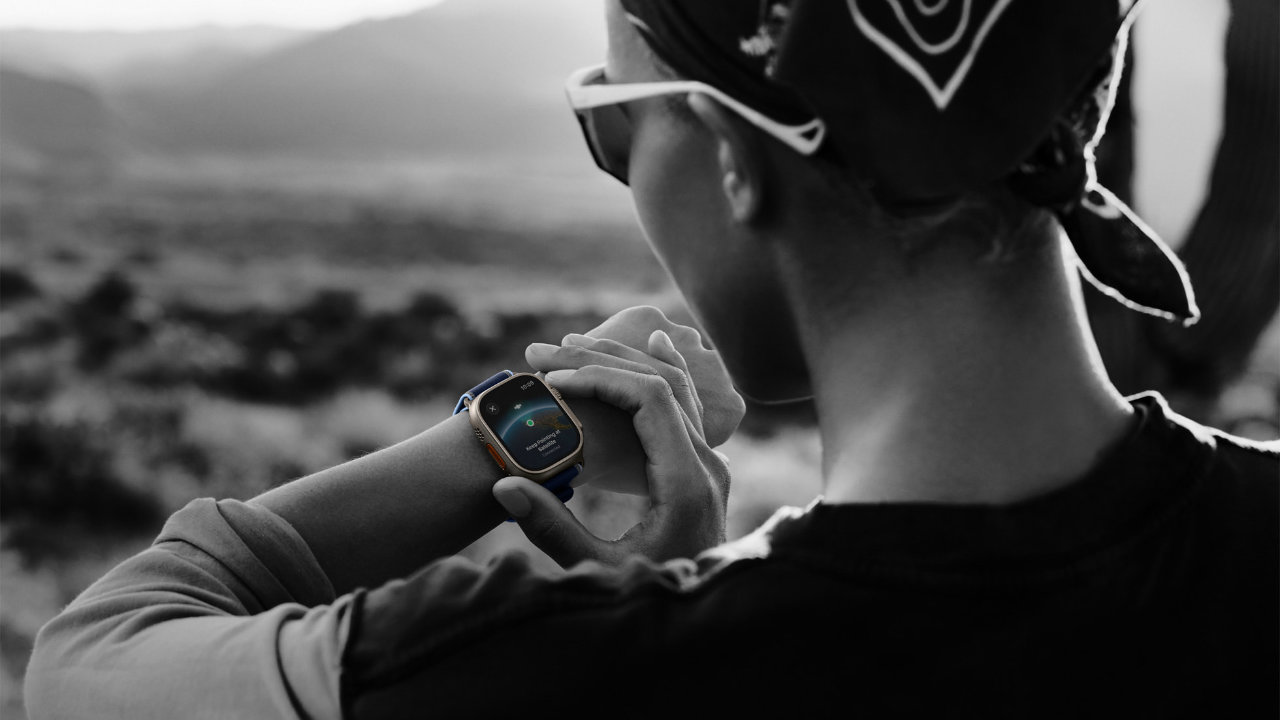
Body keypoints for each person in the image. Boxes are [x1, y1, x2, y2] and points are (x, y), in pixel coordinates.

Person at [25, 1, 1278, 718]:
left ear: (731, 156)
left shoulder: (563, 678)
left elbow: (94, 661)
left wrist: (508, 435)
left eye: (613, 130)